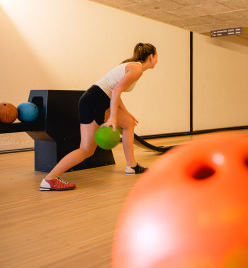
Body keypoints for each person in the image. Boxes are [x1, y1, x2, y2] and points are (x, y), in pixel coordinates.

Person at [40, 43, 159, 191]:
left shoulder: (133, 66)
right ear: (151, 57)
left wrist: (126, 113)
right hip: (93, 102)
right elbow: (115, 91)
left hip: (98, 100)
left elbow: (115, 92)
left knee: (128, 122)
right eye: (157, 55)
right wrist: (113, 118)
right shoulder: (137, 70)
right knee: (86, 149)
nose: (157, 59)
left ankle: (132, 166)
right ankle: (50, 179)